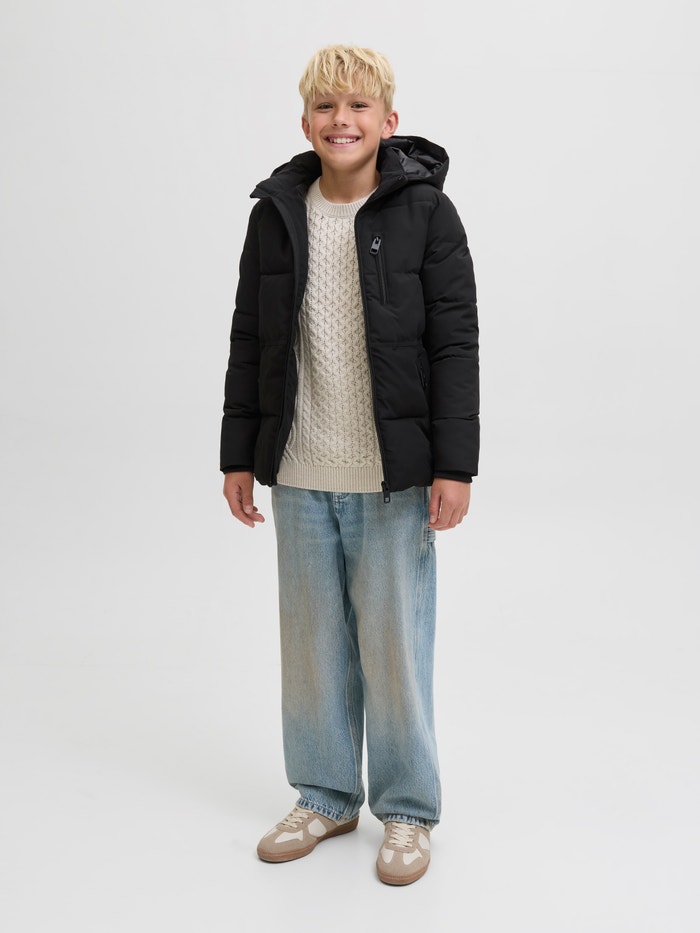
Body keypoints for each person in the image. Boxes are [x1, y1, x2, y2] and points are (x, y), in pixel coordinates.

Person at [220, 44, 479, 886]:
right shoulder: (276, 213)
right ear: (306, 122)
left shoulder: (427, 213)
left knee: (394, 646)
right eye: (327, 106)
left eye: (359, 106)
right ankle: (325, 794)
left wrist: (455, 466)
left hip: (392, 476)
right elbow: (250, 338)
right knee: (312, 647)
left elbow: (455, 343)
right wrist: (237, 453)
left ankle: (408, 808)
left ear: (388, 121)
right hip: (299, 470)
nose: (342, 119)